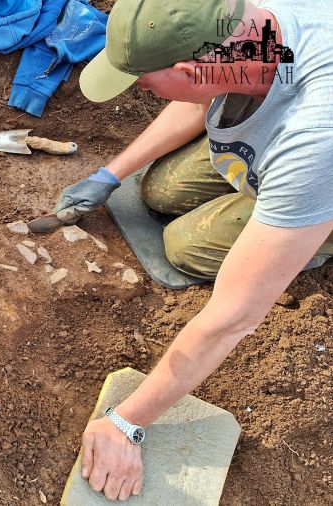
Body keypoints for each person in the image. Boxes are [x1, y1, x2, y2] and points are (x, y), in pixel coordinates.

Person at [50, 0, 333, 501]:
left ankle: (310, 237)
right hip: (279, 124)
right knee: (157, 189)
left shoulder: (315, 136)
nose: (139, 90)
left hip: (320, 179)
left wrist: (126, 423)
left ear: (187, 71)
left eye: (142, 82)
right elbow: (200, 91)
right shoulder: (243, 23)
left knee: (185, 246)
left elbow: (234, 317)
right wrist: (110, 174)